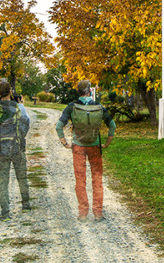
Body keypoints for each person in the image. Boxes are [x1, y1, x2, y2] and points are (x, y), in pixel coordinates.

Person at [56, 79, 116, 221]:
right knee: (97, 179)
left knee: (80, 179)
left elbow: (59, 126)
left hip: (78, 146)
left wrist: (65, 143)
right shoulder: (99, 107)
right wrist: (107, 143)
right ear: (89, 91)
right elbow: (112, 125)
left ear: (78, 91)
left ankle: (83, 214)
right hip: (95, 146)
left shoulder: (72, 107)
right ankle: (98, 213)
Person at [0, 81, 31, 220]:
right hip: (17, 147)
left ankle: (5, 212)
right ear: (10, 92)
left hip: (1, 149)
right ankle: (26, 205)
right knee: (22, 177)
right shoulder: (19, 107)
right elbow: (26, 122)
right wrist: (20, 137)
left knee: (3, 180)